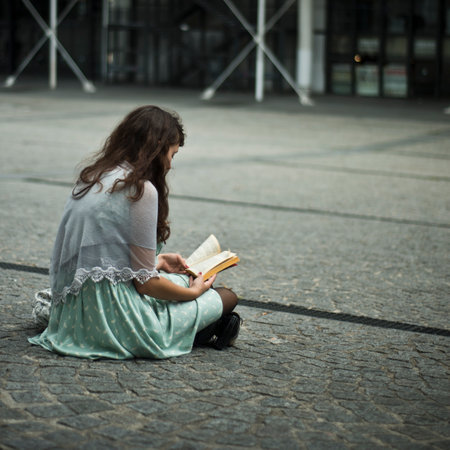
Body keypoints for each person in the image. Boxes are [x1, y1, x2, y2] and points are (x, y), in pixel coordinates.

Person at [29, 105, 240, 360]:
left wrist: (159, 261)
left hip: (76, 313)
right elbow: (146, 284)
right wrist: (194, 293)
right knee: (226, 296)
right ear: (158, 147)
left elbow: (103, 256)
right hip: (119, 318)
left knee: (184, 280)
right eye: (172, 154)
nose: (171, 165)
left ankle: (204, 327)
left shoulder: (93, 177)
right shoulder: (140, 190)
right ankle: (199, 328)